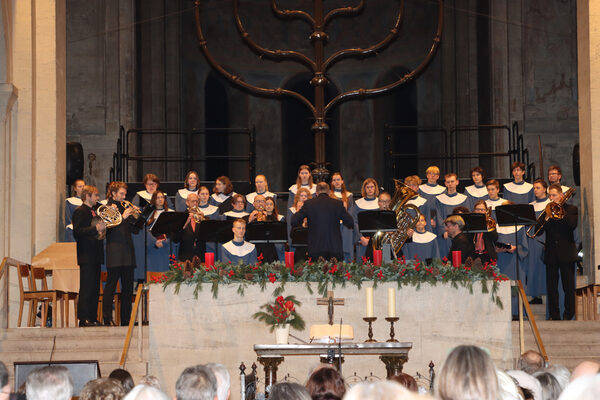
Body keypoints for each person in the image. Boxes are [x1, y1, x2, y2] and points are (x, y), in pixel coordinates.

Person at [540, 183, 578, 320]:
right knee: (552, 287)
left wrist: (561, 209)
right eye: (550, 195)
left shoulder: (571, 209)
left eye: (554, 195)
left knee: (568, 287)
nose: (551, 198)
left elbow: (572, 225)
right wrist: (546, 217)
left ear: (561, 195)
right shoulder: (548, 210)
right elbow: (538, 230)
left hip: (566, 253)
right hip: (551, 254)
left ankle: (569, 314)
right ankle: (554, 314)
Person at [104, 181, 139, 326]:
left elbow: (136, 229)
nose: (124, 197)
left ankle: (126, 321)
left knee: (128, 289)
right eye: (121, 194)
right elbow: (109, 229)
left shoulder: (126, 207)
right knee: (111, 286)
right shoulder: (107, 207)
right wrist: (124, 217)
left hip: (127, 251)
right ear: (113, 193)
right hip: (115, 251)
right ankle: (107, 319)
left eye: (125, 194)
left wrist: (137, 215)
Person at [291, 182, 354, 261]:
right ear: (329, 192)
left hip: (315, 248)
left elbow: (294, 220)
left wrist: (298, 210)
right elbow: (350, 222)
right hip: (334, 248)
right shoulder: (337, 204)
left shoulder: (309, 204)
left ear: (316, 193)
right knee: (335, 273)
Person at [72, 184, 106, 327]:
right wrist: (95, 228)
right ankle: (83, 318)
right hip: (86, 254)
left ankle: (92, 317)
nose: (98, 198)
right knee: (86, 287)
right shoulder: (80, 211)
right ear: (88, 196)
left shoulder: (94, 211)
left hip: (95, 254)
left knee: (94, 288)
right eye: (96, 195)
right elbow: (78, 232)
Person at [135, 190, 173, 279]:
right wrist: (154, 241)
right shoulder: (148, 213)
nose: (160, 199)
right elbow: (144, 229)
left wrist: (165, 241)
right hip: (152, 247)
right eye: (158, 197)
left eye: (162, 197)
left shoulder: (170, 212)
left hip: (165, 247)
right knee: (152, 275)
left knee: (166, 274)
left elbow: (173, 230)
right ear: (154, 199)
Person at [527, 179, 550, 304]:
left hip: (545, 239)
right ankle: (536, 295)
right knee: (533, 267)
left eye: (538, 188)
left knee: (544, 267)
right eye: (534, 188)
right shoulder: (531, 205)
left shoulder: (550, 204)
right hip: (533, 239)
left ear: (545, 189)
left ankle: (547, 293)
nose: (535, 190)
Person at [434, 173, 469, 255]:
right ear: (445, 184)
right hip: (446, 233)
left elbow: (466, 216)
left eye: (452, 181)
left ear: (457, 182)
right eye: (448, 182)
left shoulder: (464, 199)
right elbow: (438, 216)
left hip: (460, 233)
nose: (450, 184)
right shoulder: (439, 199)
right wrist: (444, 230)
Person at [352, 178, 380, 259]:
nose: (370, 189)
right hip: (363, 240)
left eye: (372, 187)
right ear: (364, 189)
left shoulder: (380, 202)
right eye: (367, 187)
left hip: (377, 239)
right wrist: (361, 237)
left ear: (375, 188)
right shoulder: (358, 204)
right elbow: (355, 222)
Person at [172, 193, 205, 262]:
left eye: (197, 201)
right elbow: (175, 239)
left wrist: (204, 221)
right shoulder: (181, 218)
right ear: (187, 203)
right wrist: (184, 224)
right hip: (185, 256)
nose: (195, 203)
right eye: (193, 201)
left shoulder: (202, 217)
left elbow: (207, 236)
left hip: (200, 255)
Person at [330, 172, 354, 262]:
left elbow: (350, 212)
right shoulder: (329, 195)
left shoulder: (349, 196)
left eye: (338, 179)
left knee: (346, 248)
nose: (336, 182)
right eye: (334, 180)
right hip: (333, 226)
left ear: (342, 181)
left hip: (345, 226)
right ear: (332, 183)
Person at [248, 194, 278, 262]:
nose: (260, 203)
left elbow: (276, 234)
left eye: (262, 201)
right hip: (253, 248)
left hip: (269, 249)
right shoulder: (247, 217)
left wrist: (268, 219)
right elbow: (245, 236)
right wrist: (249, 221)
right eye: (257, 201)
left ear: (265, 204)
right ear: (253, 204)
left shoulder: (272, 218)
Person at [287, 187, 311, 260]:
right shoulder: (292, 210)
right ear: (297, 197)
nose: (303, 198)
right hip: (297, 242)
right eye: (301, 196)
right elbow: (291, 227)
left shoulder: (312, 210)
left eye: (305, 196)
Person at [472, 200, 498, 264]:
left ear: (486, 211)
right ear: (474, 211)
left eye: (482, 210)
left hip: (487, 255)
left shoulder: (490, 222)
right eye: (478, 209)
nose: (480, 211)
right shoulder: (471, 222)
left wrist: (487, 225)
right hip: (473, 255)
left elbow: (495, 238)